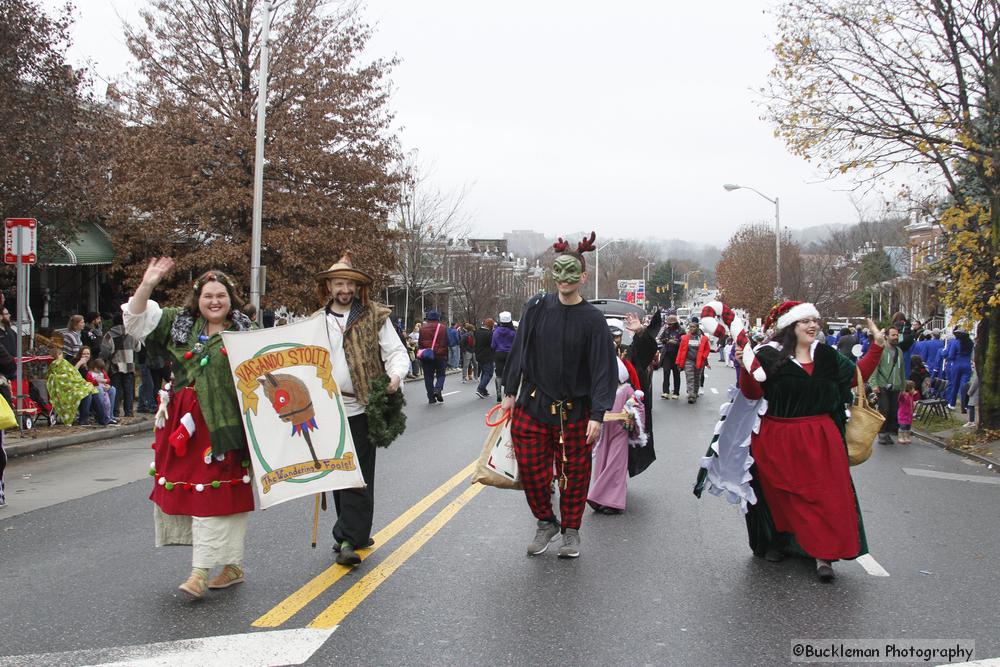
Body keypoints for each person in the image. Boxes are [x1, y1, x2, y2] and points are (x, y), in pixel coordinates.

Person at [124, 258, 255, 599]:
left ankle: (200, 572)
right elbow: (135, 322)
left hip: (226, 426)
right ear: (197, 298)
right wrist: (148, 283)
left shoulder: (246, 332)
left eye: (221, 296)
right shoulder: (178, 324)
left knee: (218, 494)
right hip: (185, 425)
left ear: (232, 299)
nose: (214, 301)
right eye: (208, 295)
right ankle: (232, 564)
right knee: (195, 491)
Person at [735, 302, 885, 582]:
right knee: (781, 497)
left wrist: (876, 347)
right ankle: (779, 542)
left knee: (824, 496)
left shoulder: (826, 355)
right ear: (790, 326)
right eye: (805, 321)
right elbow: (752, 391)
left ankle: (823, 555)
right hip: (777, 438)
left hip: (821, 438)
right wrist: (745, 366)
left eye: (815, 320)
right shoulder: (768, 355)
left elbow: (855, 376)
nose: (812, 325)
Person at [500, 232, 617, 559]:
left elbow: (603, 370)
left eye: (572, 273)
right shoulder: (537, 306)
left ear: (583, 277)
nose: (564, 279)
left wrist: (598, 414)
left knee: (574, 477)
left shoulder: (593, 320)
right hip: (534, 405)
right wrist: (510, 390)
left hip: (575, 412)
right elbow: (519, 347)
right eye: (559, 271)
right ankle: (545, 522)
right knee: (532, 472)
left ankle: (570, 531)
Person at [314, 252, 409, 566]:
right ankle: (352, 531)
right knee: (337, 474)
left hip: (362, 407)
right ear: (329, 286)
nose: (345, 289)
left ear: (357, 287)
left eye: (350, 284)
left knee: (358, 475)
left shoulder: (374, 316)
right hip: (328, 408)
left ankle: (347, 538)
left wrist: (395, 376)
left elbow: (395, 352)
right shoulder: (316, 321)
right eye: (339, 283)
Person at [587, 357, 645, 514]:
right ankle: (601, 499)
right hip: (604, 431)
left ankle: (610, 501)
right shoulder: (602, 390)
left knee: (615, 465)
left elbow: (638, 408)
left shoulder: (627, 390)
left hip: (619, 431)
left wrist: (631, 414)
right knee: (602, 464)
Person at [871, 326, 904, 445]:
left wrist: (903, 387)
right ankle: (882, 434)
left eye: (897, 335)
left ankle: (888, 433)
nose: (896, 337)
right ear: (886, 336)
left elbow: (902, 370)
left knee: (893, 411)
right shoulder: (882, 350)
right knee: (884, 410)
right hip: (882, 385)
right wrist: (874, 384)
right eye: (893, 335)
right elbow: (874, 367)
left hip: (895, 386)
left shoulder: (899, 351)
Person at [104, 313, 139, 418]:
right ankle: (128, 412)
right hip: (129, 365)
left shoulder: (109, 334)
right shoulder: (131, 333)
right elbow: (138, 348)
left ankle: (115, 412)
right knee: (128, 390)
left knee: (116, 389)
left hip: (115, 366)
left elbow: (105, 351)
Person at [675, 320, 709, 404]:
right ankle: (691, 395)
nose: (691, 328)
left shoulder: (703, 338)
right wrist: (678, 362)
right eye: (690, 327)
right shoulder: (685, 338)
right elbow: (680, 350)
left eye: (693, 327)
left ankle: (695, 392)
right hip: (688, 361)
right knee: (690, 378)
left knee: (697, 378)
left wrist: (703, 357)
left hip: (699, 361)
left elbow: (707, 349)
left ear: (697, 328)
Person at [418, 310, 448, 404]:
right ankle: (438, 389)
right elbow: (447, 341)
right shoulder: (443, 328)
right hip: (440, 355)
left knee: (428, 376)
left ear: (428, 318)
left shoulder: (422, 328)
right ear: (438, 318)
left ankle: (431, 398)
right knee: (441, 374)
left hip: (427, 355)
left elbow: (420, 342)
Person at [945, 330, 973, 409]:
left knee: (955, 384)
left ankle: (952, 403)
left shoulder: (955, 342)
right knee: (964, 385)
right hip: (967, 364)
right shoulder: (970, 343)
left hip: (956, 364)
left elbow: (951, 355)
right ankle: (965, 405)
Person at [492, 312, 516, 402]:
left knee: (498, 374)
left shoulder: (496, 331)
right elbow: (515, 344)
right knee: (509, 373)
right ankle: (507, 392)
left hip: (499, 353)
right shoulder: (512, 332)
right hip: (510, 354)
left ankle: (498, 393)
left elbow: (493, 345)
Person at [658, 314, 682, 399]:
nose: (669, 325)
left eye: (671, 324)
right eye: (668, 324)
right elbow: (661, 338)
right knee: (666, 372)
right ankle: (665, 391)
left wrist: (676, 342)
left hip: (677, 355)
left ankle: (676, 392)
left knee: (676, 373)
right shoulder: (666, 330)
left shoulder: (681, 331)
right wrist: (667, 340)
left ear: (675, 323)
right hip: (667, 354)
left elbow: (684, 342)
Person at [474, 318, 495, 399]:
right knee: (489, 373)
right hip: (487, 356)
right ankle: (480, 389)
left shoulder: (477, 332)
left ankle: (484, 391)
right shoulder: (490, 334)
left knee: (484, 372)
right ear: (491, 325)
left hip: (479, 355)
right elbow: (492, 345)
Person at [897, 380, 917, 445]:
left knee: (908, 427)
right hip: (903, 415)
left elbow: (917, 397)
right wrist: (902, 393)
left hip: (909, 414)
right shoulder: (904, 396)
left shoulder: (911, 395)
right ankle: (900, 437)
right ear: (908, 389)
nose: (914, 389)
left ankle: (906, 437)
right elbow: (900, 398)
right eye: (913, 388)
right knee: (902, 427)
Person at [965, 362, 979, 429]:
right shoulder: (976, 370)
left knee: (971, 405)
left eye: (973, 362)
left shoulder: (977, 370)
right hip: (976, 389)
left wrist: (970, 391)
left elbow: (975, 382)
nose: (972, 364)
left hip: (975, 391)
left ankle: (971, 421)